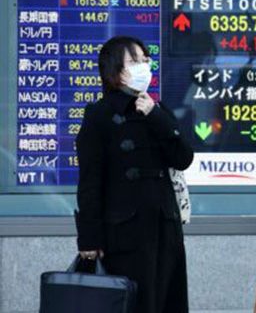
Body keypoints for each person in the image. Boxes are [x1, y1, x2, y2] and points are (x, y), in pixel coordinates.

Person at [75, 36, 193, 313]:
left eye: (145, 60)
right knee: (132, 303)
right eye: (134, 61)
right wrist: (89, 239)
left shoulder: (157, 110)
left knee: (167, 302)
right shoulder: (99, 115)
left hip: (165, 229)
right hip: (124, 234)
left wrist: (155, 116)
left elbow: (183, 158)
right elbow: (90, 181)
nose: (143, 67)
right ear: (114, 71)